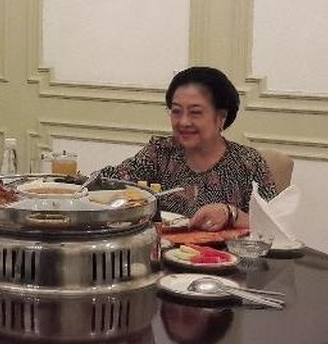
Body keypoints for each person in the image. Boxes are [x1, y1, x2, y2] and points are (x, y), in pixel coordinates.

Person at [99, 66, 277, 231]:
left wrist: (231, 214)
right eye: (176, 111)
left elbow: (274, 226)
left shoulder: (248, 163)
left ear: (221, 117)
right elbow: (109, 182)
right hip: (163, 257)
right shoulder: (161, 152)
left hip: (227, 260)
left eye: (195, 112)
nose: (183, 122)